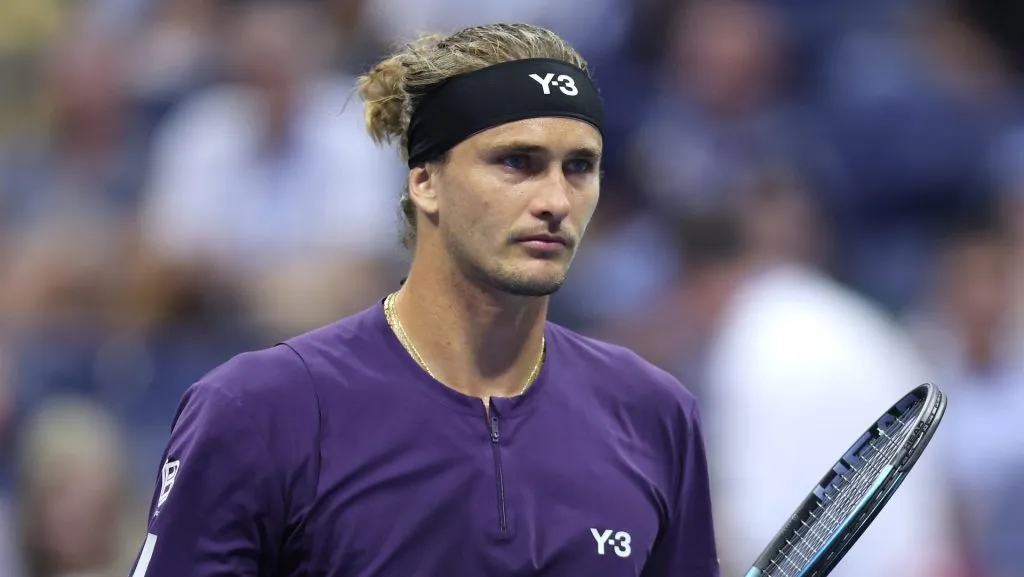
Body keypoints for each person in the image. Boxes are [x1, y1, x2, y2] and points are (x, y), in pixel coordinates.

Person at [127, 23, 719, 577]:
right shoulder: (257, 409)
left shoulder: (656, 416)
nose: (557, 201)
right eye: (518, 162)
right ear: (425, 182)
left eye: (580, 167)